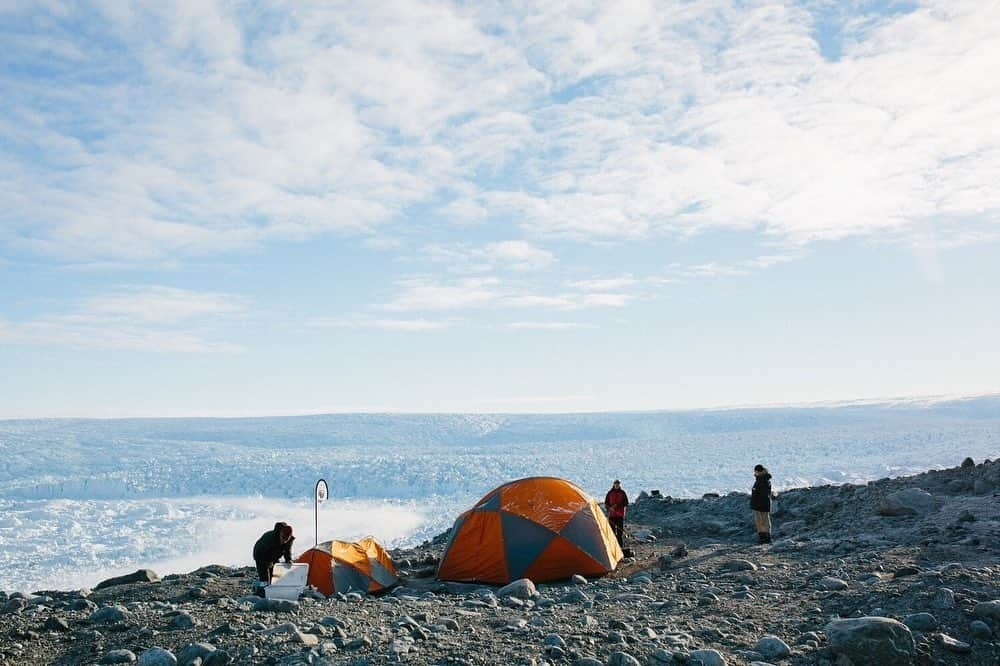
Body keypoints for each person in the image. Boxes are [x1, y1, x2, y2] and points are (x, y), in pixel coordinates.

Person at [253, 522, 295, 595]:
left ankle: (273, 591)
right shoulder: (269, 538)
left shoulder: (289, 540)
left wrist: (288, 559)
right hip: (260, 556)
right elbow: (260, 552)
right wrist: (267, 562)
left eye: (286, 539)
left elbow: (287, 550)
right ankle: (260, 591)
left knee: (276, 575)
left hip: (274, 556)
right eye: (283, 538)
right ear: (280, 534)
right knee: (264, 578)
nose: (284, 541)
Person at [750, 464, 772, 544]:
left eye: (756, 471)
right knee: (759, 521)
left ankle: (767, 537)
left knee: (764, 520)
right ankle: (762, 536)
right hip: (758, 504)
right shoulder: (759, 479)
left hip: (763, 504)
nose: (755, 473)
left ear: (759, 471)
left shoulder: (765, 480)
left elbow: (764, 494)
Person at [605, 479, 629, 547]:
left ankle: (620, 547)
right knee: (612, 532)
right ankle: (612, 546)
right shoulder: (610, 493)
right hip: (612, 515)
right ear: (614, 484)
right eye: (616, 484)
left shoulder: (622, 493)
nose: (617, 485)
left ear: (619, 485)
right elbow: (606, 503)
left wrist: (617, 506)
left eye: (618, 484)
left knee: (619, 533)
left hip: (619, 515)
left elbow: (626, 503)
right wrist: (609, 508)